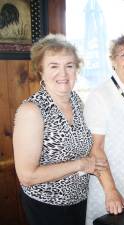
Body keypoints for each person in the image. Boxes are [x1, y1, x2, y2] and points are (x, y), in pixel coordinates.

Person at [13, 34, 107, 225]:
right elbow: (27, 176)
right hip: (47, 207)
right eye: (54, 66)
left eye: (69, 66)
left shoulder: (77, 102)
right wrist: (80, 164)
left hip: (80, 201)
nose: (63, 74)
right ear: (41, 70)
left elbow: (91, 147)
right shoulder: (31, 111)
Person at [84, 33, 124, 225]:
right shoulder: (100, 95)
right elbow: (96, 148)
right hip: (110, 184)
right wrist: (111, 190)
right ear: (113, 60)